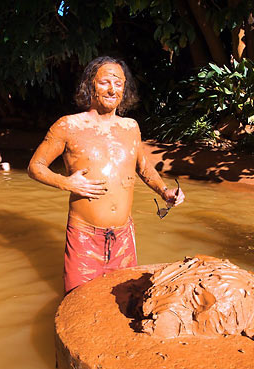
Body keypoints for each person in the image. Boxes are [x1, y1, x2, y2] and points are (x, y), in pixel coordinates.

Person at [27, 56, 185, 293]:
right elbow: (35, 167)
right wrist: (67, 182)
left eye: (119, 83)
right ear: (91, 85)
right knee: (77, 303)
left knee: (124, 303)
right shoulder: (68, 126)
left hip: (123, 237)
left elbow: (143, 167)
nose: (112, 89)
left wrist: (165, 191)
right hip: (84, 237)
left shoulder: (130, 127)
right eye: (105, 82)